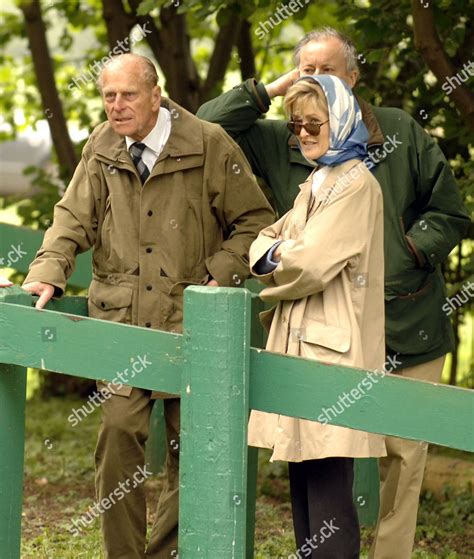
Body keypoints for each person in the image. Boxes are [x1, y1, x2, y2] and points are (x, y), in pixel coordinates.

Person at [197, 27, 470, 559]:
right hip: (322, 337)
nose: (302, 129)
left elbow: (443, 214)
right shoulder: (302, 155)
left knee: (398, 458)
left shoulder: (388, 139)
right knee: (315, 472)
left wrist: (407, 255)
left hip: (401, 321)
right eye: (306, 72)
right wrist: (273, 92)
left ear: (352, 78)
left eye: (327, 72)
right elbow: (206, 129)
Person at [21, 53, 274, 558]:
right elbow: (73, 217)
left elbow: (255, 221)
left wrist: (220, 270)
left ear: (155, 95)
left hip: (193, 320)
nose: (116, 106)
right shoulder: (102, 143)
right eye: (108, 96)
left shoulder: (208, 142)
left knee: (193, 449)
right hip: (119, 319)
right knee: (117, 436)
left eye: (128, 95)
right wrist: (47, 271)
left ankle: (163, 553)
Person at [249, 74, 386, 559]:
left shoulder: (356, 184)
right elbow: (261, 242)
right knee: (303, 490)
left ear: (342, 121)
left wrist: (280, 253)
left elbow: (309, 263)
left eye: (314, 123)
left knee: (330, 496)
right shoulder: (315, 183)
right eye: (296, 124)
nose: (303, 133)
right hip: (300, 351)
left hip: (332, 358)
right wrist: (278, 251)